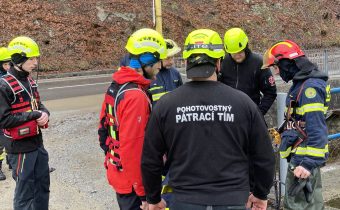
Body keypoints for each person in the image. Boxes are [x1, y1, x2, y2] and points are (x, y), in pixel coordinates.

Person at [141, 29, 275, 210]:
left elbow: (150, 159)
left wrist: (153, 197)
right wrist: (260, 194)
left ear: (187, 62)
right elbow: (264, 156)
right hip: (233, 199)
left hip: (184, 200)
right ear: (219, 63)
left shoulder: (166, 106)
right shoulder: (244, 104)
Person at [98, 28, 167, 210]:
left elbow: (102, 128)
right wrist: (145, 194)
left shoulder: (117, 86)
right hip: (133, 185)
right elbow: (133, 148)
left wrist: (112, 156)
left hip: (120, 174)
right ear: (147, 61)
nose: (161, 66)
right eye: (158, 60)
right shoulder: (135, 96)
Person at [262, 40, 330, 210]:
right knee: (310, 204)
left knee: (299, 206)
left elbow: (317, 128)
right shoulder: (303, 84)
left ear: (287, 63)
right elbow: (302, 121)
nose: (276, 73)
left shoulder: (309, 89)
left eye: (276, 67)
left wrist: (307, 164)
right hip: (301, 159)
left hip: (303, 163)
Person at [0, 36, 50, 210]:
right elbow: (4, 120)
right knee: (25, 194)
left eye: (36, 58)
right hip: (20, 149)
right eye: (31, 58)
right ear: (17, 59)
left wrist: (44, 113)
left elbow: (38, 104)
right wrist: (33, 115)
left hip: (37, 144)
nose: (35, 62)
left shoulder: (29, 80)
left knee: (42, 187)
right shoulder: (3, 85)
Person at [220, 27, 277, 115]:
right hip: (227, 114)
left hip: (250, 114)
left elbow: (271, 92)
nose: (237, 56)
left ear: (246, 47)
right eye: (233, 53)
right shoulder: (223, 62)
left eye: (240, 52)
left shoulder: (258, 63)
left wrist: (259, 113)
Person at [149, 39, 183, 105]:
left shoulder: (175, 73)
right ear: (158, 58)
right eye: (167, 58)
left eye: (172, 57)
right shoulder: (149, 75)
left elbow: (181, 97)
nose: (172, 62)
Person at [0, 47, 12, 180]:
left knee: (11, 138)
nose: (8, 66)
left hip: (8, 113)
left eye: (9, 63)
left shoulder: (10, 77)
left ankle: (12, 163)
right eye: (5, 64)